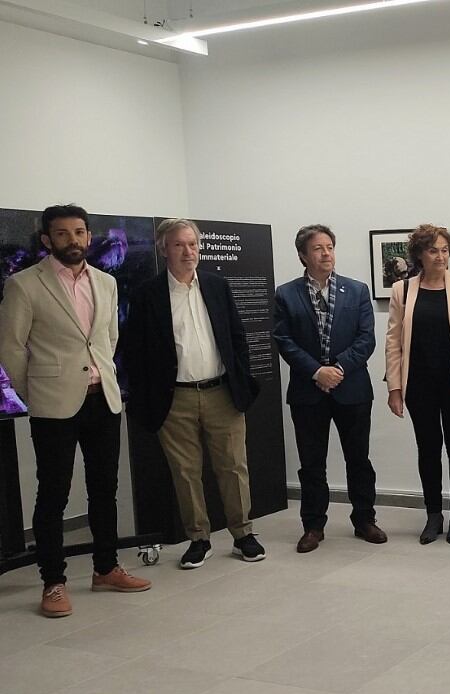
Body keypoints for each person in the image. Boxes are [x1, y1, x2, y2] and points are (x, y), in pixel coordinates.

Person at [0, 204, 150, 617]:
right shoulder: (24, 284)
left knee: (105, 488)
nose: (74, 241)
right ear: (47, 240)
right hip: (54, 403)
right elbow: (11, 347)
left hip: (103, 397)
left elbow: (108, 337)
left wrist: (100, 374)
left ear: (88, 235)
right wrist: (35, 391)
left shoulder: (106, 282)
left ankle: (106, 568)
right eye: (63, 234)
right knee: (53, 495)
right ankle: (53, 581)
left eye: (80, 232)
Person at [122, 218, 264, 569]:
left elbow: (236, 337)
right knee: (185, 472)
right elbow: (135, 351)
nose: (188, 252)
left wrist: (242, 378)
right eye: (179, 245)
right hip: (176, 398)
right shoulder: (148, 295)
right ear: (163, 249)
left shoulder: (217, 286)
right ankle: (198, 538)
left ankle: (242, 533)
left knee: (233, 466)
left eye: (193, 245)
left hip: (221, 392)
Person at [273, 224, 383, 553]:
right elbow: (284, 340)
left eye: (330, 247)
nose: (326, 253)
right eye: (318, 248)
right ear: (303, 255)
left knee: (359, 459)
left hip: (352, 389)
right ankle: (313, 525)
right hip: (309, 392)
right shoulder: (286, 293)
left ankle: (364, 519)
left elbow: (366, 339)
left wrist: (338, 369)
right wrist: (316, 371)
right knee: (311, 463)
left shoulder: (357, 290)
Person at [386, 224, 450, 544]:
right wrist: (394, 389)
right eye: (433, 250)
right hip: (419, 385)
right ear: (419, 254)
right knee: (428, 449)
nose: (441, 256)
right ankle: (433, 514)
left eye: (445, 250)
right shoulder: (402, 290)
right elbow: (393, 343)